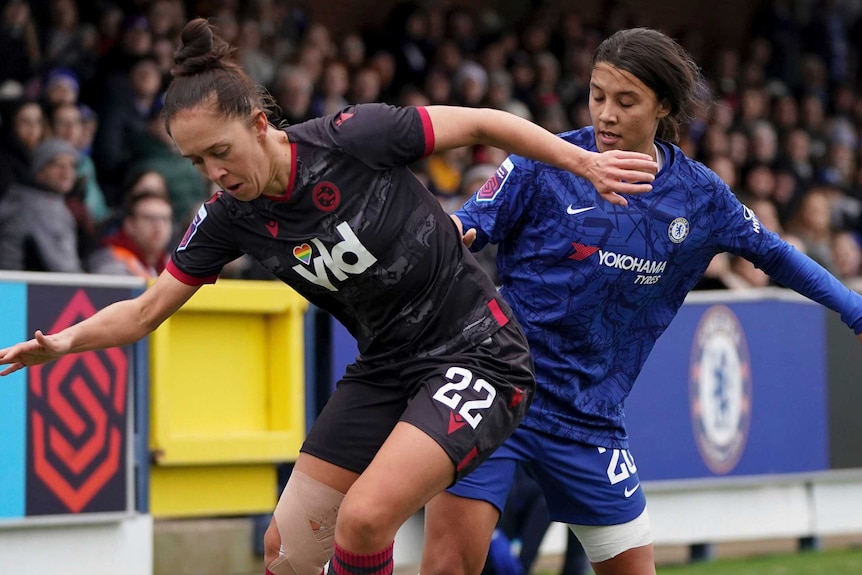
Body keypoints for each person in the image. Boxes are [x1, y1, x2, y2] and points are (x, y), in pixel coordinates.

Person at [0, 18, 657, 575]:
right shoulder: (230, 215)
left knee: (366, 518)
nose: (216, 174)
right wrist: (65, 340)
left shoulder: (353, 138)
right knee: (287, 548)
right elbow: (145, 309)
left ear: (260, 124)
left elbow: (484, 120)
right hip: (387, 368)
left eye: (221, 152)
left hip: (480, 353)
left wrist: (584, 164)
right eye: (198, 162)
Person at [421, 27, 862, 575]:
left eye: (625, 101)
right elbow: (466, 224)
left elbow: (776, 255)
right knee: (446, 567)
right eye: (597, 94)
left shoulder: (700, 197)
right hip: (495, 390)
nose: (606, 113)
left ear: (664, 107)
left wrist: (852, 307)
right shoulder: (542, 161)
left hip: (590, 419)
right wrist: (450, 232)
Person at [0, 137, 83, 273]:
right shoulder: (33, 205)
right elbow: (62, 267)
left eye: (72, 165)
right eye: (58, 165)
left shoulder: (46, 201)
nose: (67, 173)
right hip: (20, 289)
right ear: (40, 170)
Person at [87, 189, 173, 278]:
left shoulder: (173, 261)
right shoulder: (109, 260)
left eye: (164, 219)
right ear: (130, 224)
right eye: (149, 218)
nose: (158, 226)